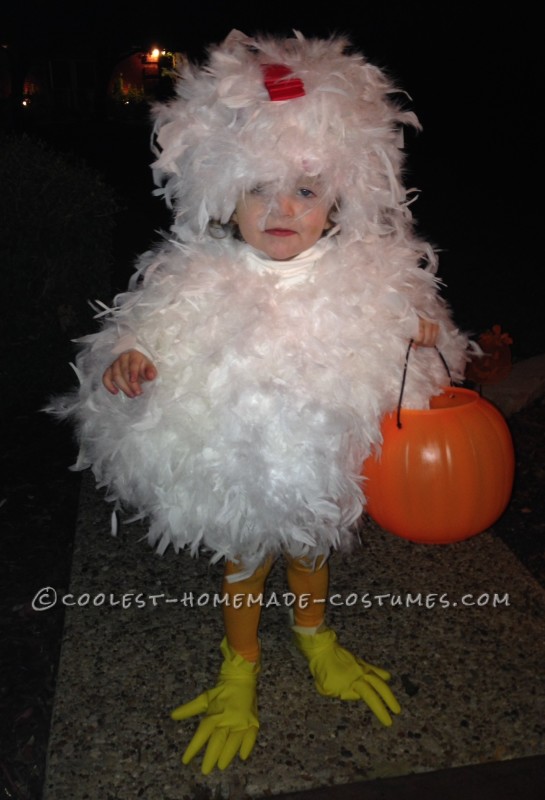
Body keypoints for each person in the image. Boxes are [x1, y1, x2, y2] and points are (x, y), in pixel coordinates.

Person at [50, 30, 470, 774]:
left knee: (311, 550)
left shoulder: (363, 272)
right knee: (243, 562)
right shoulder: (198, 272)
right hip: (237, 461)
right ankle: (239, 661)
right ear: (221, 194)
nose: (281, 208)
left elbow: (414, 348)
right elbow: (149, 326)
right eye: (257, 189)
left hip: (318, 463)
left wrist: (424, 338)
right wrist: (133, 357)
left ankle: (315, 635)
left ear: (335, 199)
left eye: (304, 190)